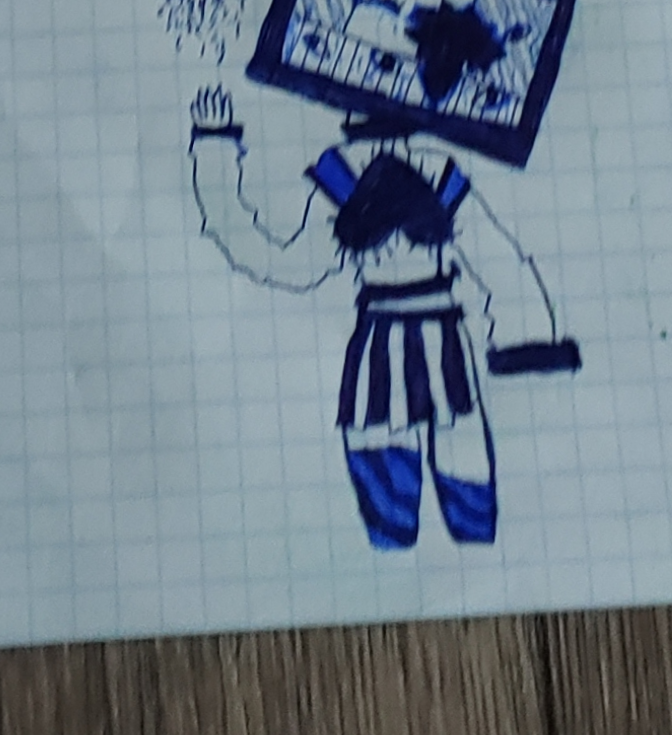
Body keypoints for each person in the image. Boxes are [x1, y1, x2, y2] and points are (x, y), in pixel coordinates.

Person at [188, 82, 580, 550]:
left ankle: (451, 545)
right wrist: (214, 152)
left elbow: (497, 261)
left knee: (456, 484)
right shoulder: (350, 178)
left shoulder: (424, 174)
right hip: (384, 355)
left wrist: (214, 149)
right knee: (399, 488)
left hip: (434, 353)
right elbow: (280, 262)